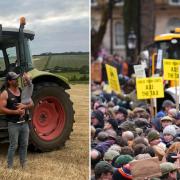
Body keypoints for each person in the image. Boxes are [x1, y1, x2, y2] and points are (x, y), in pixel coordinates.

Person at [0, 72, 34, 169]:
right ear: (9, 81)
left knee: (24, 144)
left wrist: (25, 106)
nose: (17, 80)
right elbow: (1, 109)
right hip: (13, 124)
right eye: (15, 79)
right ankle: (9, 166)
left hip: (24, 123)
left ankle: (24, 165)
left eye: (17, 78)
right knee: (13, 146)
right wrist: (16, 112)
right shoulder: (5, 93)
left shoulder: (22, 91)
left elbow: (32, 104)